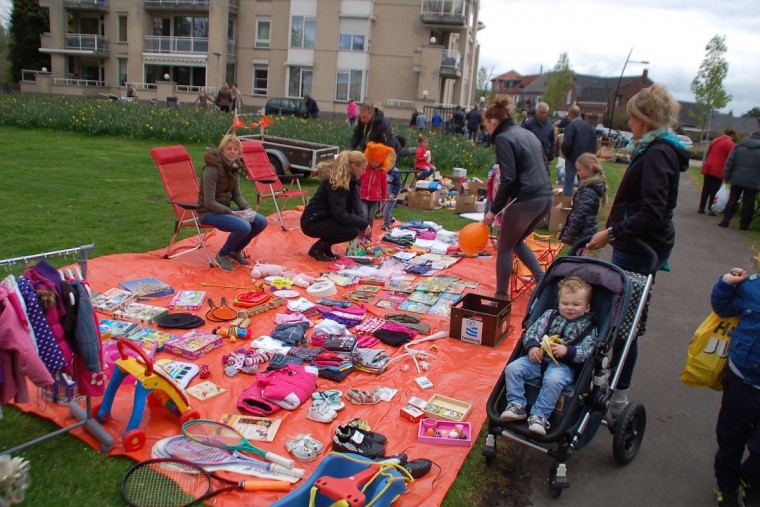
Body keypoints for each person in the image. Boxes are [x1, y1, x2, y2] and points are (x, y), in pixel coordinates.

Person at [586, 84, 689, 415]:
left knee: (624, 325)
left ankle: (618, 392)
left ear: (643, 120)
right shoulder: (652, 148)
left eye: (631, 117)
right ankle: (607, 381)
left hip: (638, 249)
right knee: (618, 321)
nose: (628, 123)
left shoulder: (659, 153)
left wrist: (612, 232)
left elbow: (652, 212)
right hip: (632, 244)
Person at [500, 277, 598, 435]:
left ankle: (540, 415)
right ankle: (516, 404)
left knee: (553, 380)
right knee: (512, 368)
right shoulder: (549, 316)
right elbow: (532, 331)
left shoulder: (587, 327)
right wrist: (532, 346)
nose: (569, 308)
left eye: (576, 304)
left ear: (587, 308)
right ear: (558, 303)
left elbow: (588, 351)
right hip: (538, 359)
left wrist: (568, 351)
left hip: (563, 365)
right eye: (565, 304)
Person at [483, 95, 553, 300]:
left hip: (526, 199)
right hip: (545, 197)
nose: (486, 128)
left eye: (486, 124)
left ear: (493, 121)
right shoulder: (527, 133)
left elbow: (509, 178)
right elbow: (544, 166)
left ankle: (500, 297)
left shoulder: (503, 138)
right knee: (516, 241)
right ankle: (542, 281)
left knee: (504, 246)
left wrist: (493, 210)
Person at [710, 266, 760, 507]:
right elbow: (722, 307)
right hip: (742, 378)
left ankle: (751, 480)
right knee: (731, 437)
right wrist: (726, 283)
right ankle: (727, 484)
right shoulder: (750, 287)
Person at [197, 134, 268, 271]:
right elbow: (209, 201)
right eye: (229, 149)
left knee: (261, 221)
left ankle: (235, 251)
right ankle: (222, 255)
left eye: (236, 149)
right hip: (208, 212)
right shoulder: (212, 169)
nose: (233, 152)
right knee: (244, 226)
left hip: (225, 209)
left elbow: (236, 194)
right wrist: (232, 212)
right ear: (222, 150)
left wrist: (248, 210)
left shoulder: (234, 167)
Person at [300, 151, 371, 261]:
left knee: (353, 228)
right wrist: (363, 223)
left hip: (322, 218)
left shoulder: (349, 182)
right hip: (312, 221)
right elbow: (340, 214)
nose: (364, 172)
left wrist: (362, 222)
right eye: (362, 169)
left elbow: (354, 206)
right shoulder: (337, 184)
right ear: (353, 166)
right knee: (352, 231)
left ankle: (325, 248)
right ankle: (318, 249)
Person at [560, 153, 607, 247]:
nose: (577, 173)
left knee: (577, 258)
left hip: (582, 234)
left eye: (579, 170)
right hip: (584, 233)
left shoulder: (588, 191)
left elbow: (580, 215)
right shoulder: (588, 188)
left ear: (589, 169)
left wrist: (570, 231)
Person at [718, 130, 760, 230]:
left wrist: (726, 175)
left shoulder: (739, 146)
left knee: (733, 199)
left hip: (737, 178)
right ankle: (744, 225)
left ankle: (726, 220)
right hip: (753, 181)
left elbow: (730, 161)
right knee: (748, 202)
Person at [561, 105, 598, 196]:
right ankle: (585, 199)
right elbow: (594, 142)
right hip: (587, 159)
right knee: (586, 182)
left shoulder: (571, 126)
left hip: (573, 158)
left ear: (570, 115)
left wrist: (566, 154)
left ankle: (567, 202)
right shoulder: (589, 126)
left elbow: (567, 143)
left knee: (569, 180)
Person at [359, 142, 393, 239]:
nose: (374, 163)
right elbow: (359, 180)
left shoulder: (382, 172)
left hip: (375, 198)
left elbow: (384, 185)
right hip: (363, 196)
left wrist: (384, 197)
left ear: (382, 161)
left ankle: (368, 235)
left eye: (377, 162)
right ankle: (361, 234)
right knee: (364, 215)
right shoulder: (364, 168)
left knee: (370, 217)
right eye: (373, 161)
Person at [699, 129, 735, 215]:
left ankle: (701, 207)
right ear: (732, 135)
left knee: (706, 188)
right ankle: (712, 209)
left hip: (708, 166)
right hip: (718, 168)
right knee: (714, 189)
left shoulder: (715, 140)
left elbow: (708, 152)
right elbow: (731, 157)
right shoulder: (730, 143)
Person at [522, 102, 555, 174]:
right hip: (530, 156)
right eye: (541, 113)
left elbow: (552, 141)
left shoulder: (549, 125)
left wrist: (550, 156)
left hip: (544, 156)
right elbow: (522, 140)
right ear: (537, 112)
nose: (543, 115)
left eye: (545, 113)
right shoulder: (528, 124)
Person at [382, 161, 401, 232]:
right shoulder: (383, 170)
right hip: (385, 193)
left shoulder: (396, 173)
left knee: (386, 210)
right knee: (382, 209)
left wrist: (394, 194)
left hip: (392, 194)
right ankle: (391, 219)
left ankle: (386, 225)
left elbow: (397, 185)